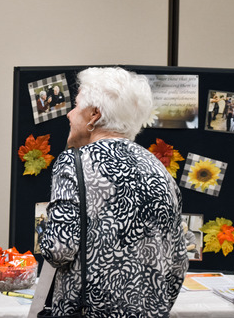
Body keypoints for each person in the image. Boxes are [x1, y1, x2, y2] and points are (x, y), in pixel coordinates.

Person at [39, 67, 188, 317]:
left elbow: (58, 248)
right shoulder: (159, 170)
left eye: (76, 106)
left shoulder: (74, 162)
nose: (69, 115)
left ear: (94, 115)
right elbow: (178, 262)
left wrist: (44, 226)